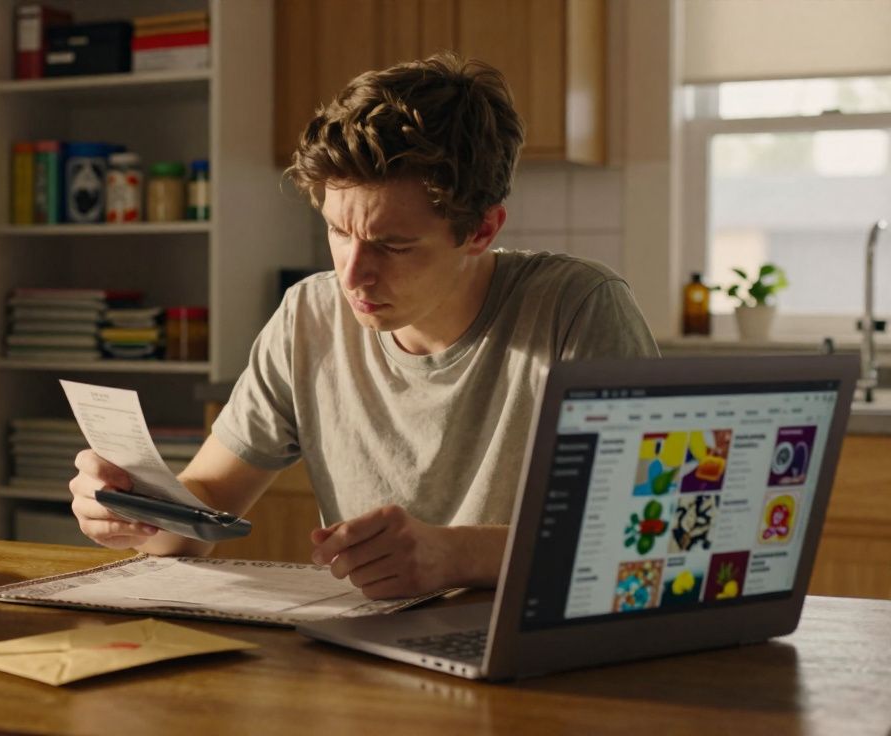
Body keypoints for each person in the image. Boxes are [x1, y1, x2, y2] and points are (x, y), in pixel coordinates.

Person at [68, 53, 658, 599]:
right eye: (338, 231)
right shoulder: (308, 316)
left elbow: (640, 534)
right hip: (364, 651)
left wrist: (455, 555)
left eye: (393, 246)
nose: (353, 275)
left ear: (482, 230)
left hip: (538, 650)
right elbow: (210, 503)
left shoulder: (577, 309)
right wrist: (140, 512)